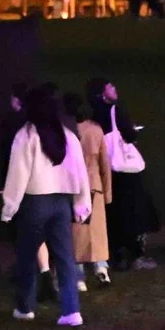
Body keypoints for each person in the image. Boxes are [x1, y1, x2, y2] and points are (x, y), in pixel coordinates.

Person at [0, 82, 92, 326]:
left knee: (27, 257)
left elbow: (17, 174)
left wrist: (9, 207)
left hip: (34, 203)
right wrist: (82, 204)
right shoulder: (68, 136)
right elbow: (81, 173)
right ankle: (71, 311)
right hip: (62, 203)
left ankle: (25, 306)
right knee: (64, 257)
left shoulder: (26, 135)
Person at [90, 79, 160, 272]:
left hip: (109, 168)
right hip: (125, 169)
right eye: (110, 87)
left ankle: (117, 254)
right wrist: (132, 131)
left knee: (115, 211)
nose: (115, 89)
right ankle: (137, 254)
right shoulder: (115, 111)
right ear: (103, 93)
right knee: (135, 210)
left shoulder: (95, 115)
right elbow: (128, 135)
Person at [68, 90, 116, 288]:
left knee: (76, 233)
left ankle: (79, 276)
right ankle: (101, 268)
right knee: (96, 231)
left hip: (74, 186)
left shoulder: (68, 131)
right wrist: (108, 192)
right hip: (94, 184)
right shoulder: (96, 130)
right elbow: (105, 163)